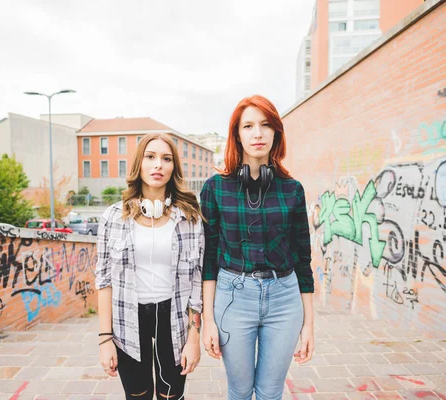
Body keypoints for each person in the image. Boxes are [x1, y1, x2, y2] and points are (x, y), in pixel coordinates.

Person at [200, 95, 315, 400]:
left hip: (284, 299)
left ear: (276, 132)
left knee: (270, 392)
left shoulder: (292, 189)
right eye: (248, 126)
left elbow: (304, 260)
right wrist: (207, 321)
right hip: (232, 298)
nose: (258, 133)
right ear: (236, 135)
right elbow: (208, 259)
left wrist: (309, 325)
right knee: (239, 391)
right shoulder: (215, 188)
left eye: (265, 125)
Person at [96, 133, 204, 400]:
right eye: (150, 157)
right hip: (128, 322)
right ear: (138, 164)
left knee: (171, 397)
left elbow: (196, 281)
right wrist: (104, 339)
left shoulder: (189, 218)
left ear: (174, 167)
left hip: (174, 320)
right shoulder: (113, 217)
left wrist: (194, 339)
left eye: (166, 159)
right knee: (138, 396)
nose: (158, 165)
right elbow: (104, 281)